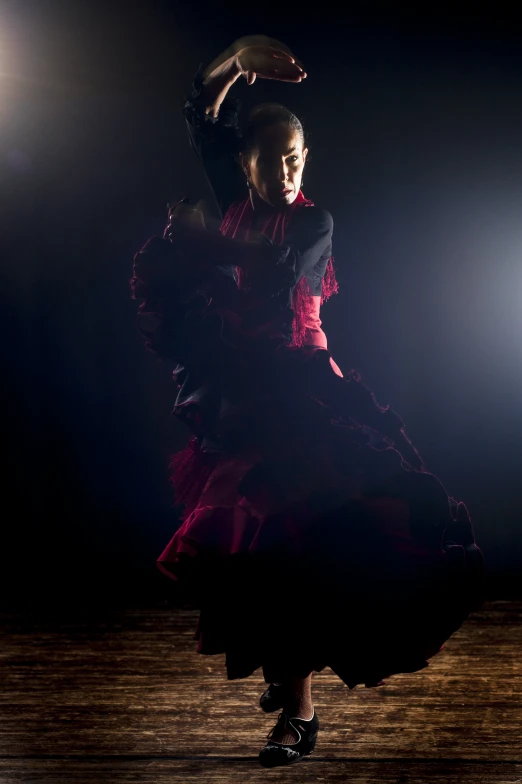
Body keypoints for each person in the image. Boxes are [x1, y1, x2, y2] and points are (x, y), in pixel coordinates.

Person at [130, 37, 485, 768]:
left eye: (298, 157)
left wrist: (198, 243)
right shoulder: (233, 201)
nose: (288, 170)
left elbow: (268, 273)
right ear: (245, 165)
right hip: (243, 399)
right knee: (255, 550)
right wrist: (236, 61)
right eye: (272, 158)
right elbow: (201, 115)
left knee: (297, 546)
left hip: (303, 394)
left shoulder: (313, 225)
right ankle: (286, 678)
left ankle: (298, 711)